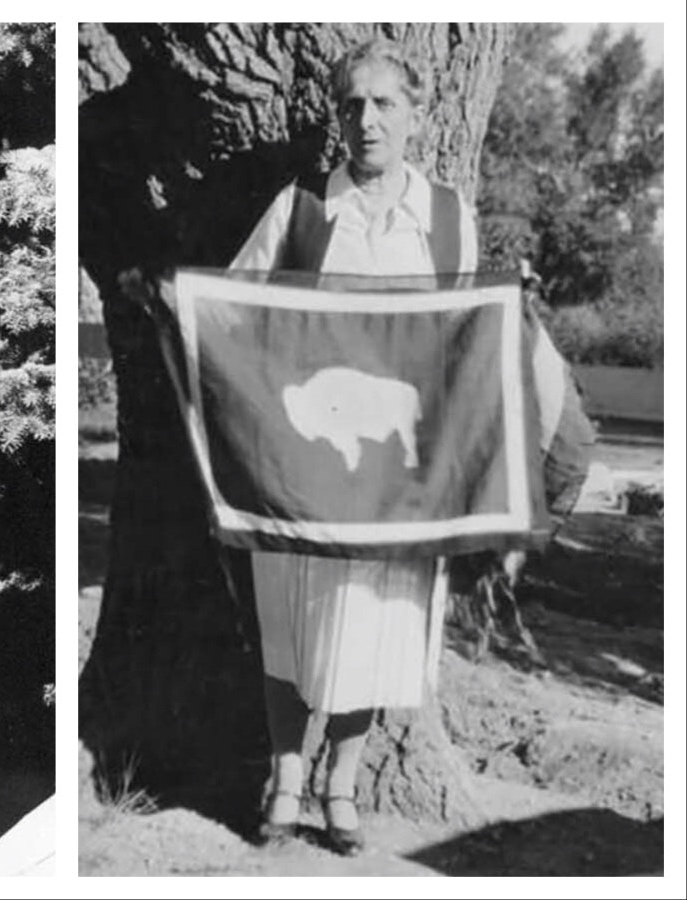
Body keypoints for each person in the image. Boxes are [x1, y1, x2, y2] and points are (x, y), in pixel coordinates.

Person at [227, 39, 478, 855]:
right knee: (292, 623)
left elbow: (465, 341)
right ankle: (285, 780)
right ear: (336, 116)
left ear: (414, 117)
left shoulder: (444, 218)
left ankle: (341, 785)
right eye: (351, 105)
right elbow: (234, 307)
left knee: (375, 629)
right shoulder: (301, 208)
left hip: (394, 479)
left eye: (383, 105)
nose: (366, 121)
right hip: (303, 466)